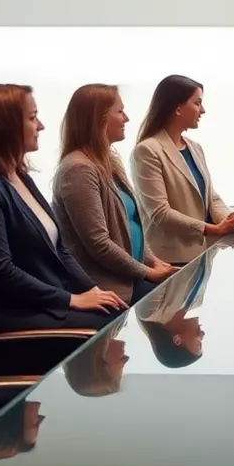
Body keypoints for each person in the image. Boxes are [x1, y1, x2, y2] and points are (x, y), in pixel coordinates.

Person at [0, 84, 127, 340]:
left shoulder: (19, 176)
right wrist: (70, 300)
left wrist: (93, 290)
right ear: (4, 126)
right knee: (110, 323)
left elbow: (60, 250)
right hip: (12, 315)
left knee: (115, 309)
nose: (41, 126)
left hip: (43, 304)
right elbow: (1, 272)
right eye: (32, 118)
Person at [53, 84, 176, 303]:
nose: (126, 118)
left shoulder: (109, 162)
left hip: (132, 279)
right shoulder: (78, 168)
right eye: (120, 111)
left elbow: (130, 224)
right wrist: (147, 272)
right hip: (108, 290)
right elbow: (99, 243)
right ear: (97, 119)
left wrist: (151, 260)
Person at [131, 75, 234, 264]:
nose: (203, 110)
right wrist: (213, 229)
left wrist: (230, 219)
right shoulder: (147, 151)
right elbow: (160, 213)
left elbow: (211, 196)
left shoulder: (195, 148)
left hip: (201, 255)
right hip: (168, 260)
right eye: (197, 103)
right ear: (177, 108)